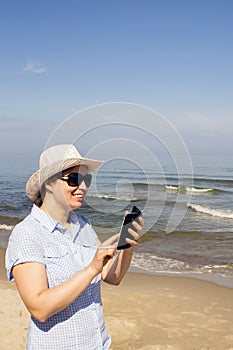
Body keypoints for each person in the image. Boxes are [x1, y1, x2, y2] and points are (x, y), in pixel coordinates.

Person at [5, 144, 144, 350]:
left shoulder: (83, 225)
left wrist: (127, 246)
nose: (83, 187)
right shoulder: (27, 233)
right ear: (49, 184)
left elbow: (112, 277)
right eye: (74, 180)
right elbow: (39, 308)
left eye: (86, 180)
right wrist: (91, 269)